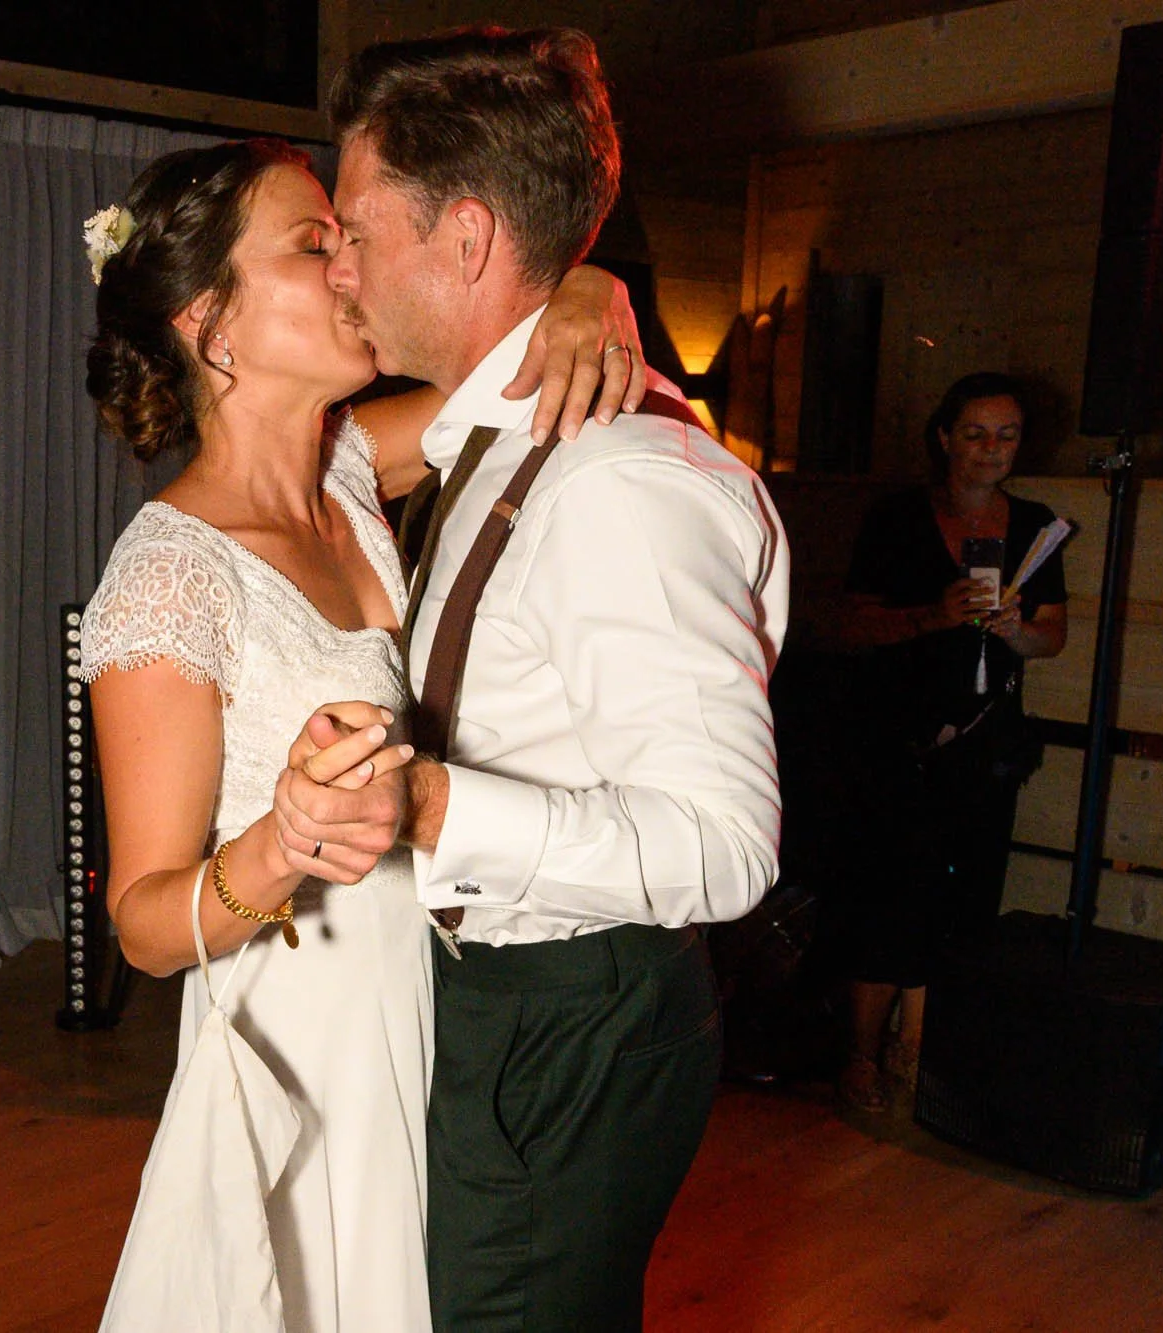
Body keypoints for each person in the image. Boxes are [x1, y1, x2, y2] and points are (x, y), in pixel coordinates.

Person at [80, 137, 646, 1329]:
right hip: (300, 1033)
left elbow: (515, 370)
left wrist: (593, 288)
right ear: (210, 325)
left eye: (344, 237)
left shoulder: (343, 471)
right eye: (310, 245)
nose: (349, 267)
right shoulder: (168, 577)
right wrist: (282, 846)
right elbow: (139, 922)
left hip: (426, 986)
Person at [274, 29, 790, 1330]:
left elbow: (727, 844)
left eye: (354, 228)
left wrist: (434, 809)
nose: (339, 262)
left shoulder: (619, 480)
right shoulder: (491, 441)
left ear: (461, 236)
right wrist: (589, 280)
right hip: (494, 992)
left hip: (572, 1017)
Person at [829, 372, 1067, 1111]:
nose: (992, 448)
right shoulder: (897, 518)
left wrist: (1016, 631)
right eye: (976, 432)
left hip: (985, 742)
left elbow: (1050, 637)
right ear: (944, 436)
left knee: (963, 904)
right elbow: (851, 626)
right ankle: (860, 1056)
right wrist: (935, 616)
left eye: (1007, 434)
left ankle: (917, 1052)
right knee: (888, 898)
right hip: (897, 742)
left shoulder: (1034, 524)